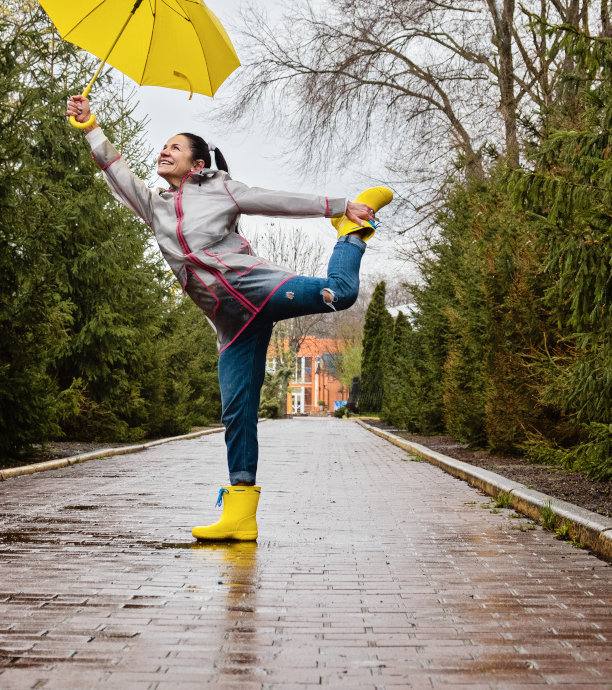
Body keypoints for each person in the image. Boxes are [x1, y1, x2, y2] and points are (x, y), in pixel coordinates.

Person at [66, 95, 392, 541]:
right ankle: (240, 515)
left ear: (197, 164)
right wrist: (90, 127)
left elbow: (274, 200)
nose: (164, 151)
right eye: (163, 146)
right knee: (237, 412)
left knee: (343, 293)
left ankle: (351, 237)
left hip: (261, 287)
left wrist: (339, 207)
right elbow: (117, 173)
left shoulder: (221, 189)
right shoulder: (156, 207)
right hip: (229, 321)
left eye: (174, 148)